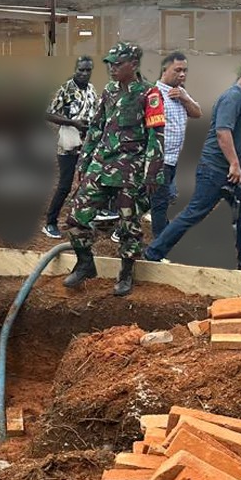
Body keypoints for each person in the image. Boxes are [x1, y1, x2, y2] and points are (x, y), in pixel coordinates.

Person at [143, 50, 241, 270]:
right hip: (216, 169)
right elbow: (222, 132)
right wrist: (235, 164)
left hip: (236, 171)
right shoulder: (232, 97)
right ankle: (152, 253)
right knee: (194, 213)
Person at [61, 42, 164, 298]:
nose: (112, 68)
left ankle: (126, 272)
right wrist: (84, 163)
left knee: (129, 226)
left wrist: (152, 172)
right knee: (76, 216)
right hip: (102, 164)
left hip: (130, 170)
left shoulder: (149, 94)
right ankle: (86, 263)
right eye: (110, 64)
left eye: (118, 64)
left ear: (134, 64)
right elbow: (96, 129)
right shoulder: (109, 91)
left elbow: (156, 135)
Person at [42, 56, 100, 239]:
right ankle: (50, 222)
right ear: (75, 69)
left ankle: (79, 219)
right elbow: (49, 114)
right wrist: (72, 122)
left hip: (87, 145)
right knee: (65, 185)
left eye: (87, 70)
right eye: (81, 69)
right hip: (68, 145)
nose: (84, 73)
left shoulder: (91, 90)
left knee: (87, 183)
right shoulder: (67, 89)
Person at [151, 52, 203, 240]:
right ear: (165, 70)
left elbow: (197, 113)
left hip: (173, 158)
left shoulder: (181, 91)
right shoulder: (154, 95)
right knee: (160, 201)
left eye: (185, 71)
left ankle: (160, 230)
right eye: (178, 70)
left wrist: (184, 98)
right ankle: (159, 241)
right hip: (159, 158)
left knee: (164, 197)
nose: (182, 74)